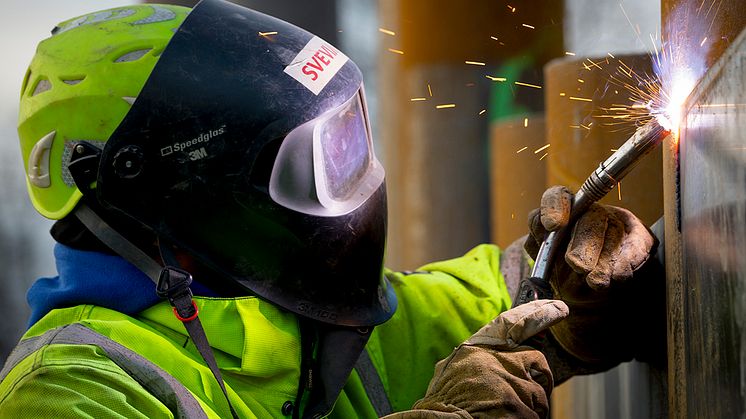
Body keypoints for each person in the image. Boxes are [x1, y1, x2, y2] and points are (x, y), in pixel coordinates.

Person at [0, 2, 661, 418]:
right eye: (320, 158)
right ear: (175, 186)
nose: (353, 182)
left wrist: (566, 278)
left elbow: (475, 305)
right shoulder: (67, 391)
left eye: (350, 142)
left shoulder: (302, 319)